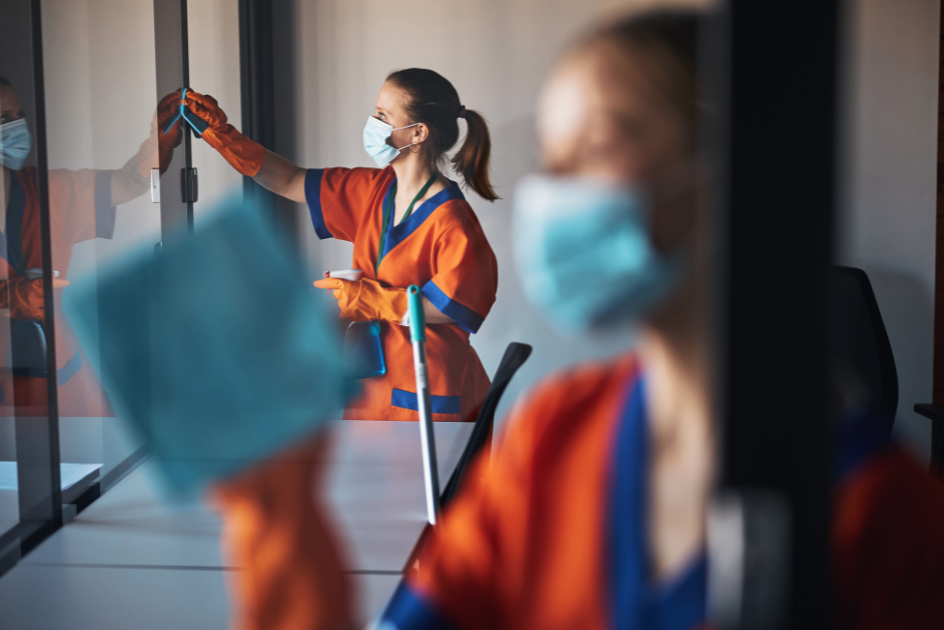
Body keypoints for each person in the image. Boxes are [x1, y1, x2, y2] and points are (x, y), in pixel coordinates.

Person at [376, 9, 944, 630]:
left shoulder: (879, 512)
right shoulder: (554, 434)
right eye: (551, 154)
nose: (553, 188)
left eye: (595, 146)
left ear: (726, 168)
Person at [183, 69, 499, 423]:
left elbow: (455, 307)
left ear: (418, 133)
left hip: (428, 390)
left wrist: (372, 300)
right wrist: (221, 136)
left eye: (383, 116)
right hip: (373, 380)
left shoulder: (452, 221)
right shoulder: (374, 191)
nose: (372, 123)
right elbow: (289, 180)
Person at [0, 78, 180, 416]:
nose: (18, 127)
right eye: (3, 119)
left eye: (20, 115)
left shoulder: (47, 191)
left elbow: (130, 182)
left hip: (65, 393)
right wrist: (10, 297)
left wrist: (157, 141)